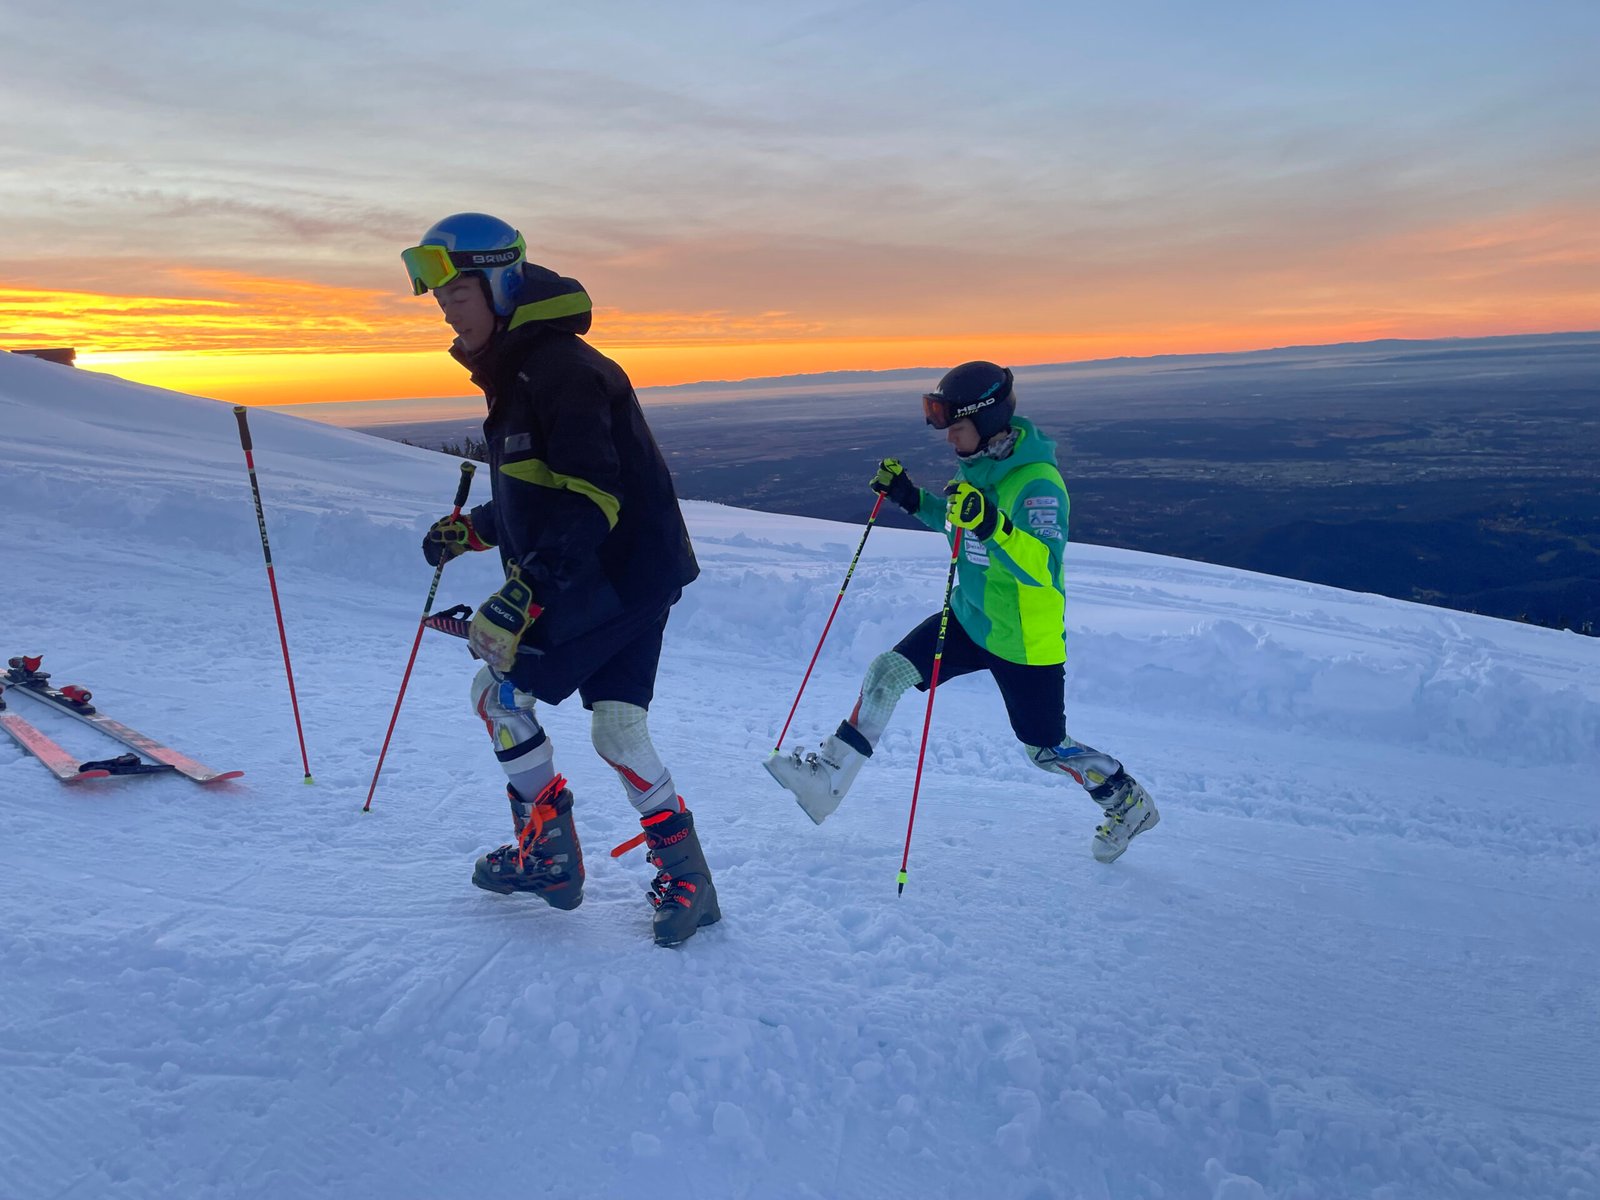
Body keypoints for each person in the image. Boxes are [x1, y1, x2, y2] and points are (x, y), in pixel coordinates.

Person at [402, 212, 718, 945]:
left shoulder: (561, 371)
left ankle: (548, 855)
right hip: (631, 575)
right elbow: (543, 488)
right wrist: (479, 529)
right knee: (618, 727)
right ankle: (690, 884)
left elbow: (591, 496)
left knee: (496, 694)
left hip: (602, 579)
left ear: (501, 283)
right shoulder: (526, 369)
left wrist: (524, 591)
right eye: (440, 301)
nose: (445, 312)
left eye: (457, 295)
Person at [764, 361, 1159, 863]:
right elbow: (957, 525)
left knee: (1043, 748)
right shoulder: (977, 466)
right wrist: (910, 497)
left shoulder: (1036, 483)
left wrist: (994, 525)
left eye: (958, 427)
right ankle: (826, 779)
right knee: (888, 673)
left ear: (989, 421)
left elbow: (1044, 565)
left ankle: (1128, 804)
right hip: (969, 619)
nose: (951, 439)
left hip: (1022, 640)